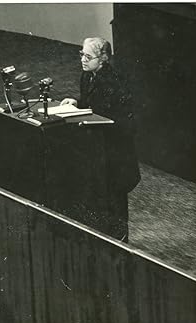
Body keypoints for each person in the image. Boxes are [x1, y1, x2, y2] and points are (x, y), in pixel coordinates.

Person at [61, 37, 141, 242]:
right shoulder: (87, 76)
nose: (83, 60)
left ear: (103, 59)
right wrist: (77, 103)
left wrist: (86, 112)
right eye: (82, 55)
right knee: (98, 193)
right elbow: (91, 104)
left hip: (115, 148)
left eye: (88, 56)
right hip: (98, 145)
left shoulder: (113, 81)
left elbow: (111, 114)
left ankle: (121, 241)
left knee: (115, 195)